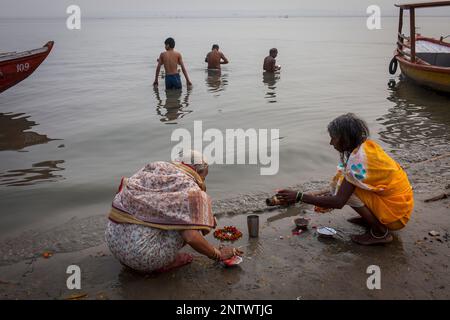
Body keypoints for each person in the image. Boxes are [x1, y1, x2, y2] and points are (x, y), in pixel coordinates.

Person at [276, 113, 414, 246]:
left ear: (345, 139)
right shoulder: (367, 147)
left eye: (333, 138)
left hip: (396, 216)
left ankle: (380, 233)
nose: (330, 143)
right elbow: (347, 184)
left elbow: (339, 202)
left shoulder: (358, 160)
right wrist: (326, 196)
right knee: (345, 185)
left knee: (349, 194)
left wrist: (299, 196)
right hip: (400, 207)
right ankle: (372, 220)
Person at [105, 150, 243, 273]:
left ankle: (132, 257)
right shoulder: (190, 188)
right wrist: (217, 254)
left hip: (114, 244)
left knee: (175, 216)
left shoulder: (158, 168)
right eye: (203, 177)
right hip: (143, 259)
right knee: (192, 221)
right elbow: (191, 237)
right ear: (198, 172)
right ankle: (165, 262)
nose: (202, 182)